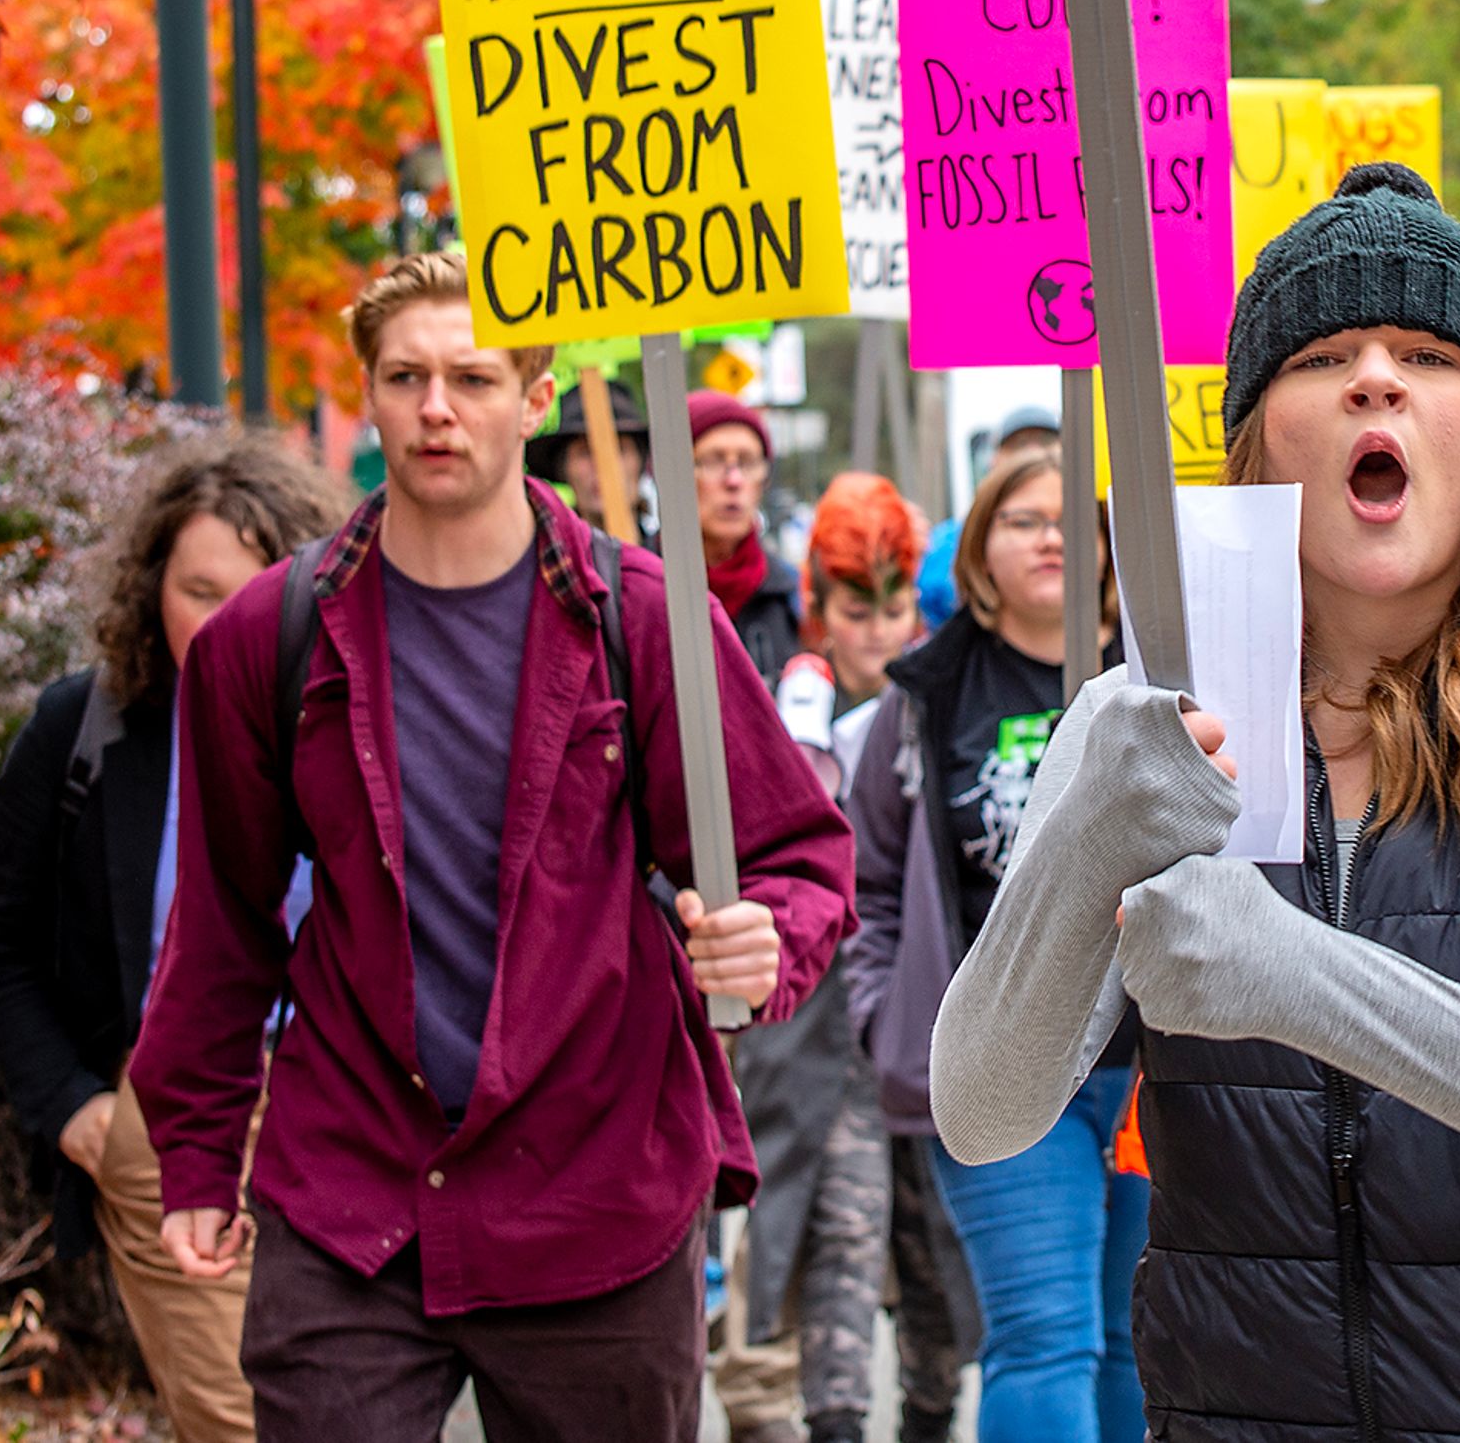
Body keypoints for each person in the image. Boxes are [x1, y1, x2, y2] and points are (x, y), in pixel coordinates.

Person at [933, 163, 1460, 1443]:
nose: (1373, 379)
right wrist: (1083, 840)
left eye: (1427, 354)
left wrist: (1295, 976)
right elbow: (982, 1105)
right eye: (1322, 352)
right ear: (1257, 432)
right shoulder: (1146, 728)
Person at [130, 254, 857, 1443]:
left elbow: (798, 852)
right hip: (353, 1191)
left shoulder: (646, 617)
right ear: (366, 393)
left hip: (598, 1184)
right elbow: (219, 923)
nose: (435, 406)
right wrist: (198, 1152)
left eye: (471, 375)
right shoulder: (267, 635)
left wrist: (763, 935)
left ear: (534, 396)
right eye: (404, 374)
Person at [0, 439, 345, 1443]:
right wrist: (79, 1110)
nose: (224, 621)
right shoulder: (84, 727)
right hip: (169, 1123)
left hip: (351, 1113)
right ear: (150, 590)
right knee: (245, 1424)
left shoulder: (365, 725)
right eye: (198, 589)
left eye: (259, 589)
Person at [845, 443, 1140, 1443]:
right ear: (979, 548)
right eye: (1024, 517)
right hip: (1000, 1065)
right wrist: (886, 1015)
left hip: (1151, 1066)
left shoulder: (1152, 670)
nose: (1053, 534)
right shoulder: (926, 697)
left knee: (1135, 1331)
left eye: (1073, 516)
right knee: (1045, 1334)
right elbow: (869, 877)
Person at [716, 474, 975, 1443]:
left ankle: (927, 1411)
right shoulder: (796, 700)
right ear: (821, 607)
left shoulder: (936, 698)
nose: (875, 630)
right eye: (855, 608)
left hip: (921, 1008)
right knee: (834, 1223)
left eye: (893, 606)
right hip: (819, 1016)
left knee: (932, 1238)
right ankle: (819, 1413)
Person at [693, 390, 805, 688]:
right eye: (714, 461)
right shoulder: (641, 590)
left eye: (747, 462)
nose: (733, 481)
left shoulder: (792, 596)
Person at [913, 410, 1061, 632]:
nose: (1033, 452)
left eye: (1046, 441)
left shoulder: (1096, 527)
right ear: (993, 460)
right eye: (1018, 444)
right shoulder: (945, 543)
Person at [522, 371, 651, 540]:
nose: (603, 463)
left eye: (619, 449)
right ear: (564, 468)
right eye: (585, 452)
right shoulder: (549, 562)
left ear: (640, 462)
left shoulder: (677, 551)